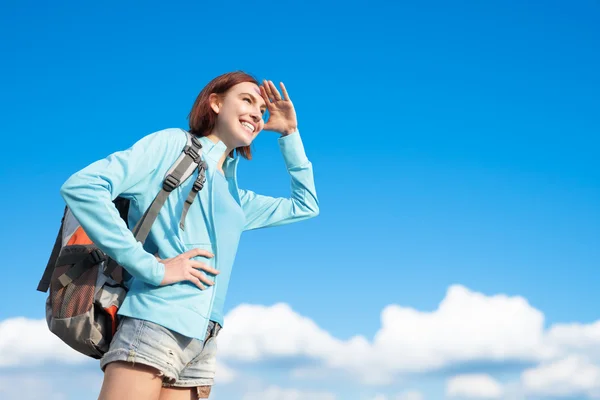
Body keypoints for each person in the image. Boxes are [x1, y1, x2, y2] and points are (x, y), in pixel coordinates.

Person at [59, 71, 319, 400]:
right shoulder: (173, 145)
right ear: (215, 103)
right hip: (155, 321)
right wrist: (152, 268)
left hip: (204, 340)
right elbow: (82, 187)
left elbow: (305, 206)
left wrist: (290, 134)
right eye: (247, 100)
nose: (257, 113)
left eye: (262, 109)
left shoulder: (235, 195)